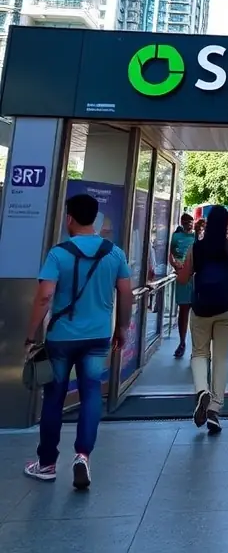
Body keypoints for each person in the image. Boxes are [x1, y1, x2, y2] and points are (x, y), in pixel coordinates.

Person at [23, 193, 133, 488]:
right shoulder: (115, 253)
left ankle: (46, 463)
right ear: (95, 219)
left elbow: (45, 296)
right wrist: (123, 327)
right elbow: (126, 293)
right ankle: (83, 455)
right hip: (98, 337)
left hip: (61, 338)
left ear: (69, 217)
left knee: (54, 398)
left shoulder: (58, 254)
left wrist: (31, 334)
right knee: (91, 394)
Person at [176, 204, 228, 434]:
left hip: (201, 308)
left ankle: (201, 391)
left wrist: (179, 267)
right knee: (221, 358)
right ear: (226, 224)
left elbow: (184, 279)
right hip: (226, 308)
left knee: (199, 353)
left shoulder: (196, 248)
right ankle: (215, 410)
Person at [169, 213, 196, 358]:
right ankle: (182, 342)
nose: (188, 224)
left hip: (195, 277)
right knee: (183, 310)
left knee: (197, 312)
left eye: (190, 221)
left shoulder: (197, 237)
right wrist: (174, 263)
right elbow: (169, 253)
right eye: (185, 222)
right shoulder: (176, 237)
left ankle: (197, 346)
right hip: (182, 277)